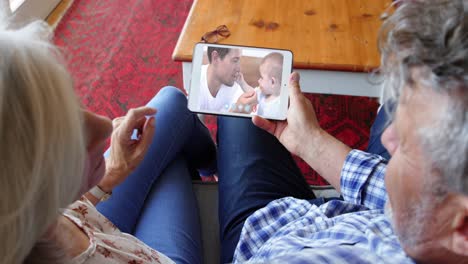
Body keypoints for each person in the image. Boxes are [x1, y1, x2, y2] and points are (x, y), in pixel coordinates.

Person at [216, 0, 468, 263]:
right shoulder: (436, 221)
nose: (387, 137)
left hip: (262, 235)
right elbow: (407, 197)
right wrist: (310, 141)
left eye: (405, 143)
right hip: (343, 213)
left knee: (234, 117)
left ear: (463, 227)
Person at [0, 18, 216, 264]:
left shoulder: (20, 221)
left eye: (73, 106)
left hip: (87, 218)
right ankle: (218, 172)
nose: (105, 125)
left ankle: (213, 167)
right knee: (171, 150)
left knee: (171, 105)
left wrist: (112, 174)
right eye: (59, 131)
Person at [199, 47, 256, 113]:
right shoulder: (196, 82)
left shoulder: (234, 84)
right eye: (235, 60)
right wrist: (235, 111)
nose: (238, 69)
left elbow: (255, 101)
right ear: (215, 58)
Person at [237, 52, 284, 118]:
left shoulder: (281, 103)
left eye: (262, 77)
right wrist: (242, 83)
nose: (259, 80)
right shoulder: (262, 93)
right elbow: (251, 93)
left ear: (272, 82)